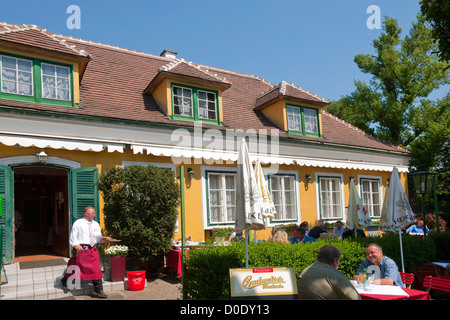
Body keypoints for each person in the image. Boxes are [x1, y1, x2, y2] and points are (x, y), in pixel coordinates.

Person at [61, 206, 112, 298]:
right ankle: (65, 280)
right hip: (81, 249)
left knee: (96, 269)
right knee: (76, 267)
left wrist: (103, 240)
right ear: (86, 214)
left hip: (93, 250)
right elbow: (73, 236)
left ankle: (98, 290)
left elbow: (97, 237)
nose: (94, 215)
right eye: (92, 213)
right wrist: (76, 245)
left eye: (94, 213)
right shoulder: (78, 223)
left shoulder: (96, 224)